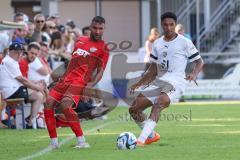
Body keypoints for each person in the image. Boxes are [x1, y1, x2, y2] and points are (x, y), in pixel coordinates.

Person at [129, 12, 204, 147]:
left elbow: (199, 62)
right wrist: (139, 83)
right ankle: (151, 136)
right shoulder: (157, 43)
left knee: (160, 102)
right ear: (162, 25)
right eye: (165, 24)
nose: (168, 27)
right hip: (159, 80)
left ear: (175, 25)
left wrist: (194, 74)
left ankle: (141, 140)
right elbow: (153, 69)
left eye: (171, 24)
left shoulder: (184, 42)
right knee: (134, 109)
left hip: (177, 81)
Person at [44, 16, 109, 149]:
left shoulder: (104, 48)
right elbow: (72, 62)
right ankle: (54, 143)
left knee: (65, 106)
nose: (97, 31)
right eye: (95, 28)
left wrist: (89, 86)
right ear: (90, 27)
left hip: (78, 82)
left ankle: (81, 141)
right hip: (64, 80)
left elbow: (100, 72)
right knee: (48, 104)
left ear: (104, 29)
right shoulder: (80, 40)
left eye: (100, 29)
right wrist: (60, 78)